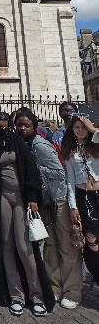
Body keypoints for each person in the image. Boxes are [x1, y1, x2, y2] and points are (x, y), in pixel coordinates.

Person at [0, 112, 54, 317]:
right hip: (1, 197)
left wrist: (32, 197)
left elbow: (31, 171)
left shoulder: (19, 143)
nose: (3, 128)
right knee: (5, 245)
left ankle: (37, 295)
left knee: (24, 247)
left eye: (5, 125)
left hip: (21, 198)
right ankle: (16, 295)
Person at [15, 108, 82, 309]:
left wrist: (33, 167)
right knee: (50, 246)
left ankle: (72, 290)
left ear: (34, 127)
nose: (23, 129)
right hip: (45, 202)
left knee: (66, 246)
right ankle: (54, 287)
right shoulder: (23, 144)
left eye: (27, 125)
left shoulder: (40, 146)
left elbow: (59, 172)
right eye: (20, 125)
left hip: (58, 199)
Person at [61, 114, 99, 287]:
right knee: (91, 240)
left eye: (83, 127)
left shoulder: (96, 145)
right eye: (77, 127)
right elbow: (69, 180)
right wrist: (72, 206)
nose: (81, 130)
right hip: (84, 197)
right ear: (72, 130)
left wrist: (93, 129)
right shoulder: (70, 151)